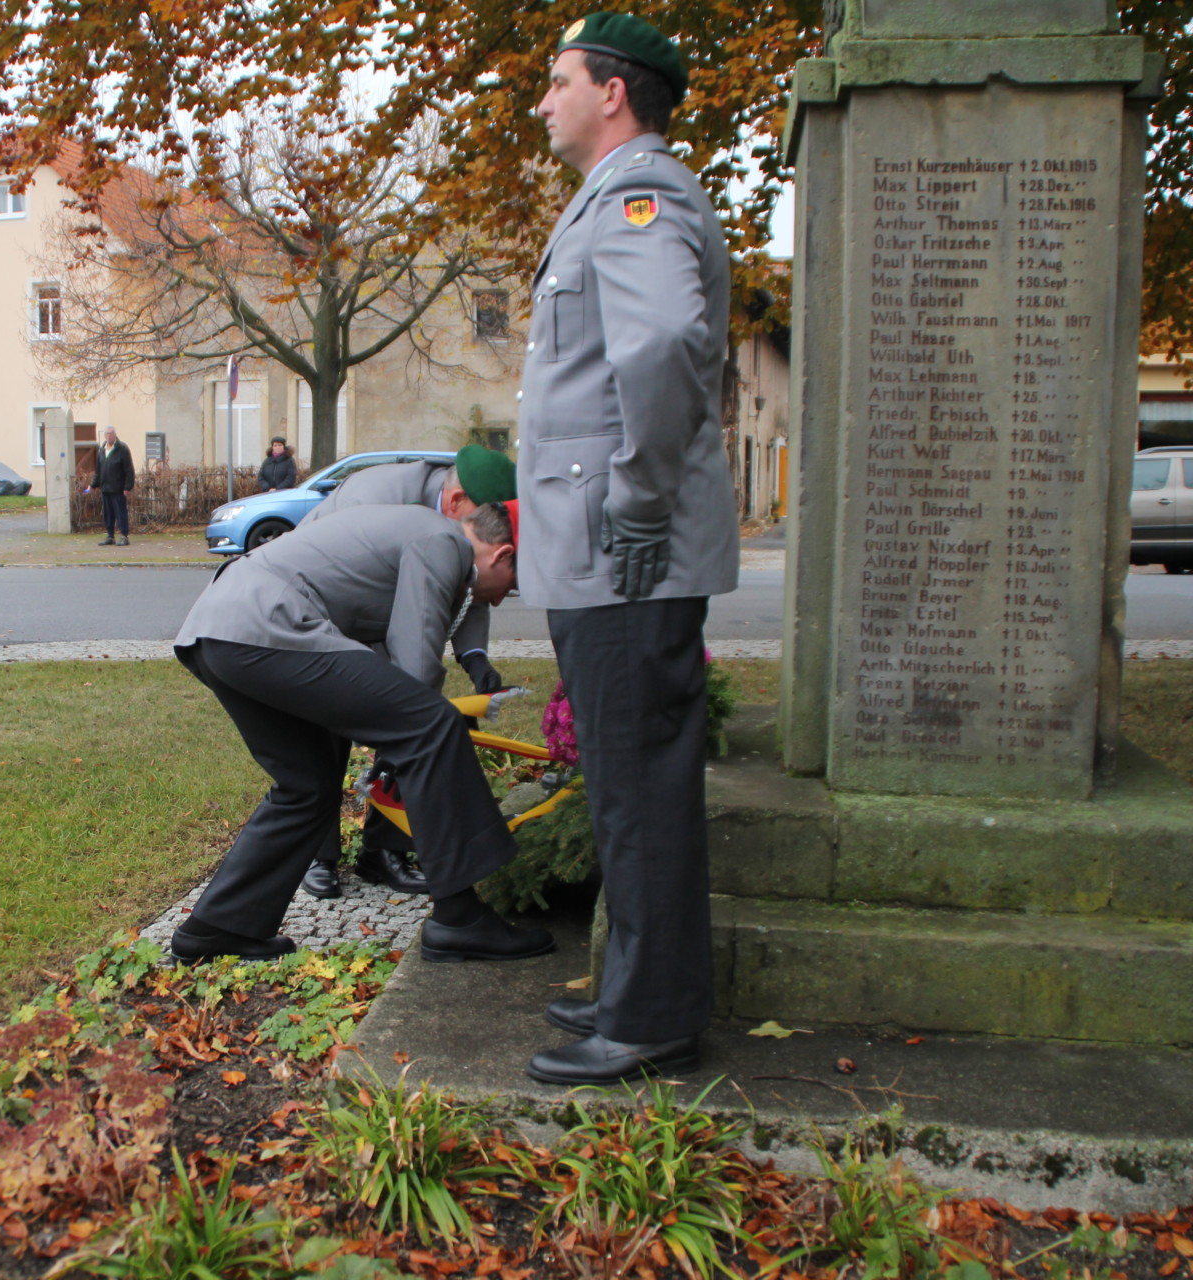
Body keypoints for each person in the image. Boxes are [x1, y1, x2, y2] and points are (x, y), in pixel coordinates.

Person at [517, 12, 739, 1086]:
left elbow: (662, 345)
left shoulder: (640, 198)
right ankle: (636, 990)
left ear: (614, 91)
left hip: (625, 548)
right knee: (624, 774)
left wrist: (640, 497)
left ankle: (651, 1015)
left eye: (558, 81)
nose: (542, 100)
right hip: (609, 547)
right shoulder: (613, 201)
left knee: (640, 778)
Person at [169, 501, 553, 967]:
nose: (498, 598)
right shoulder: (443, 541)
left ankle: (217, 928)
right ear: (503, 555)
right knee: (433, 724)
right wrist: (403, 735)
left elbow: (375, 651)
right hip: (270, 624)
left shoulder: (416, 533)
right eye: (510, 587)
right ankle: (460, 919)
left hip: (219, 632)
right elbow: (414, 660)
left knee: (306, 786)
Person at [293, 443, 519, 899]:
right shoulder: (375, 497)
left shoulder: (459, 528)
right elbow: (351, 587)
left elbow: (468, 580)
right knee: (327, 729)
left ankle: (383, 848)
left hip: (390, 619)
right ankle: (318, 854)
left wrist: (474, 656)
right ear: (456, 504)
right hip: (324, 615)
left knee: (408, 718)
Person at [91, 426, 134, 546]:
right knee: (108, 513)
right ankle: (110, 536)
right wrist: (93, 485)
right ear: (104, 436)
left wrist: (127, 487)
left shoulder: (122, 449)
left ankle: (124, 536)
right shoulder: (102, 450)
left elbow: (129, 470)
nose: (109, 436)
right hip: (105, 488)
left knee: (120, 512)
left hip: (118, 488)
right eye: (107, 434)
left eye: (111, 434)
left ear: (115, 435)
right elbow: (98, 470)